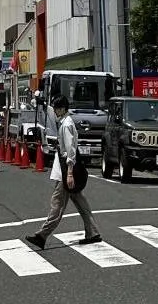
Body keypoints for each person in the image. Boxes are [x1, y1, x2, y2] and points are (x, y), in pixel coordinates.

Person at [24, 93, 101, 250]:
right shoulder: (66, 122)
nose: (55, 111)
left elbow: (70, 150)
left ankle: (42, 235)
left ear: (63, 109)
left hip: (65, 170)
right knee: (80, 202)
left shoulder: (66, 125)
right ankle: (93, 232)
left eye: (57, 108)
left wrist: (70, 173)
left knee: (57, 204)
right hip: (66, 169)